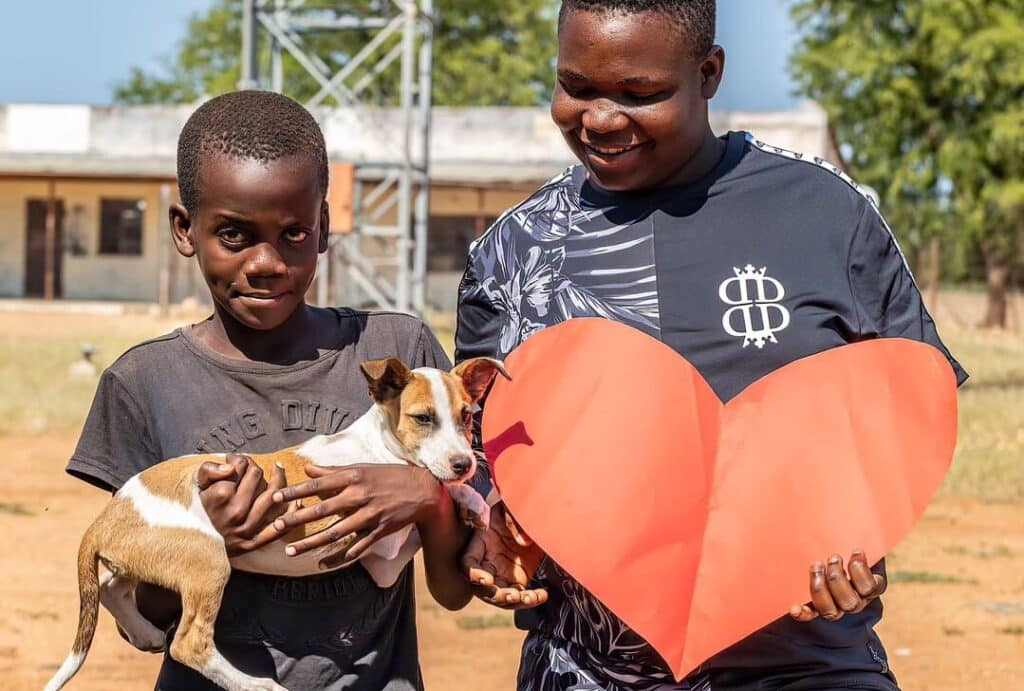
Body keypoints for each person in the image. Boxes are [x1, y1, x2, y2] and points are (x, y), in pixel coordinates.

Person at [454, 1, 968, 690]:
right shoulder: (512, 255)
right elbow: (481, 464)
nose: (602, 118)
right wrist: (490, 538)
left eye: (640, 94)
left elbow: (903, 410)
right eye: (577, 87)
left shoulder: (826, 214)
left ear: (709, 72)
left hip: (807, 667)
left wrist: (866, 542)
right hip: (585, 670)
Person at [66, 90, 471, 691]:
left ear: (324, 228)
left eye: (293, 234)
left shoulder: (396, 353)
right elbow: (147, 618)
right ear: (185, 230)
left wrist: (423, 496)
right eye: (233, 235)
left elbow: (454, 587)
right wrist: (214, 536)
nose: (266, 262)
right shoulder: (145, 382)